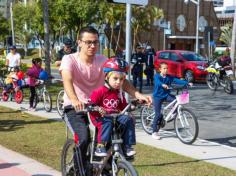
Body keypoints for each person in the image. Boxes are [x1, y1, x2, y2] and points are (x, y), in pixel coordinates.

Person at [59, 26, 152, 173]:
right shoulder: (69, 59)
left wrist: (138, 94)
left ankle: (107, 168)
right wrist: (75, 99)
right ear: (79, 43)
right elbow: (67, 80)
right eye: (88, 42)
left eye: (95, 42)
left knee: (112, 135)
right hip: (76, 107)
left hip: (100, 108)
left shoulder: (102, 60)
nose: (92, 46)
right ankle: (81, 171)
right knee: (83, 138)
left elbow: (120, 78)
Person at [89, 57, 136, 157]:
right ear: (106, 77)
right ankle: (100, 146)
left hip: (115, 116)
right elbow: (91, 104)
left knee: (128, 119)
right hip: (100, 117)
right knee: (107, 121)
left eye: (121, 79)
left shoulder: (119, 93)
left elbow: (123, 106)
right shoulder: (100, 91)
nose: (118, 82)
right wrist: (97, 108)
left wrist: (133, 105)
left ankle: (127, 146)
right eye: (115, 78)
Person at [152, 62, 192, 140]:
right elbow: (158, 82)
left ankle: (174, 113)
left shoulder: (169, 77)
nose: (166, 70)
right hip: (157, 97)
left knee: (176, 100)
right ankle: (154, 132)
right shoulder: (157, 76)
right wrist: (162, 84)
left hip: (166, 95)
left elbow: (177, 80)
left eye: (167, 68)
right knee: (158, 114)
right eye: (164, 68)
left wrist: (187, 83)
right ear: (160, 69)